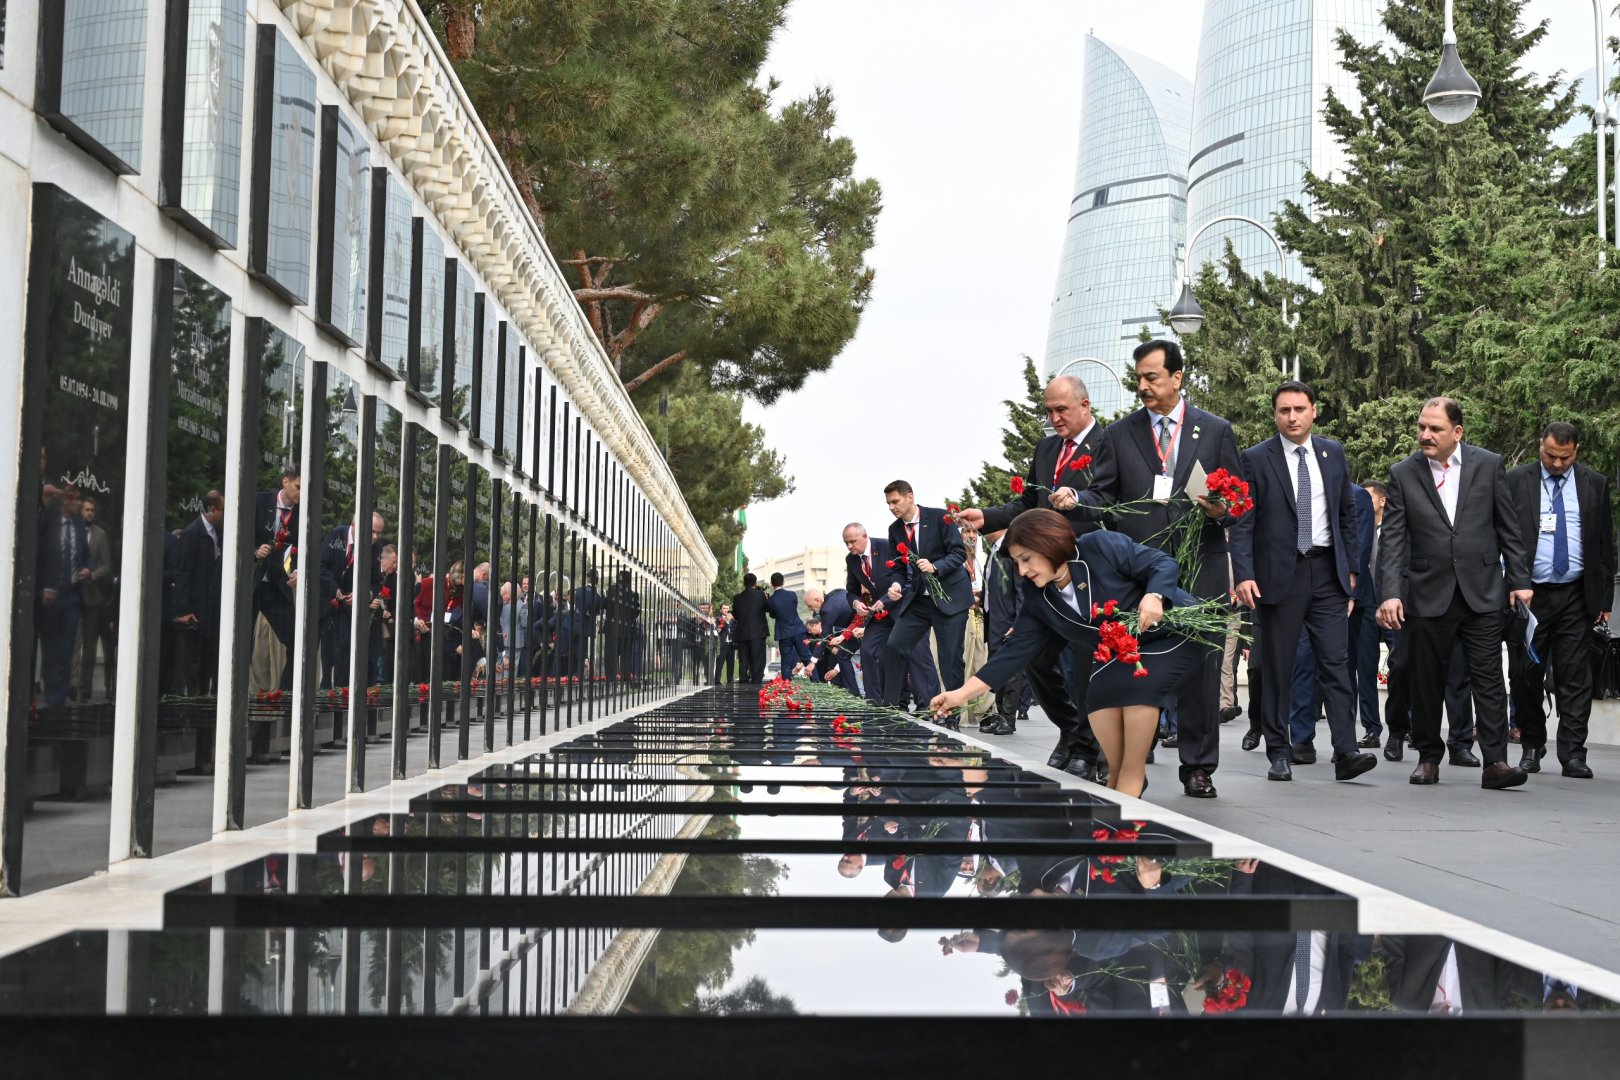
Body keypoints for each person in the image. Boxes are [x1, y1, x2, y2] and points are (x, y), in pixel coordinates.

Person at [930, 509, 1209, 799]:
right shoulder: (1038, 596)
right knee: (1097, 695)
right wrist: (961, 694)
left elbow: (1162, 563)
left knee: (1136, 688)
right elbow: (1014, 651)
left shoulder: (1099, 546)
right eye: (1016, 563)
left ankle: (1132, 779)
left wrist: (1155, 595)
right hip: (1124, 650)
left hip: (1175, 631)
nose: (1023, 570)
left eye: (1027, 558)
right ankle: (1117, 778)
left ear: (1049, 542)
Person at [1075, 339, 1243, 799]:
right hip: (1142, 572)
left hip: (1201, 565)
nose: (1143, 386)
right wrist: (1076, 500)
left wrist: (1219, 511)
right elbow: (1103, 497)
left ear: (1178, 377)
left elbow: (1237, 503)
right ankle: (1133, 760)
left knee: (1204, 669)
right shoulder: (1120, 433)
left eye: (1152, 377)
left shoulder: (1214, 430)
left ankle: (1198, 766)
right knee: (1135, 661)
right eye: (1139, 379)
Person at [1376, 397, 1531, 790]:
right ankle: (1428, 758)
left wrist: (1519, 579)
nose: (1425, 435)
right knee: (1427, 680)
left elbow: (1508, 528)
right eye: (1422, 427)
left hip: (1482, 591)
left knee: (1489, 680)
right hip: (1428, 593)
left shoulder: (1489, 464)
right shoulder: (1403, 473)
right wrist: (1390, 593)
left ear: (1457, 432)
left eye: (1435, 429)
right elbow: (1392, 539)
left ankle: (1495, 762)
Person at [1229, 380, 1377, 783]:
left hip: (1327, 574)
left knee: (1336, 662)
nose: (1292, 417)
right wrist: (1244, 574)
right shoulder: (1256, 458)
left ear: (1314, 410)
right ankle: (1279, 751)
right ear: (1275, 415)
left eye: (1299, 409)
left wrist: (1351, 571)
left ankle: (1346, 750)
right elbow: (1243, 522)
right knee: (1278, 667)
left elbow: (1346, 514)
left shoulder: (1333, 453)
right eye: (1284, 411)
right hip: (1279, 576)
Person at [960, 374, 1108, 777]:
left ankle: (1089, 747)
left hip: (1084, 571)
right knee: (1040, 660)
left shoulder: (1107, 444)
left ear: (1085, 405)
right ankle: (1069, 730)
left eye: (1061, 410)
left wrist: (1078, 500)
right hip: (1041, 574)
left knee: (1083, 664)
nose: (1054, 418)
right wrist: (987, 516)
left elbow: (1112, 500)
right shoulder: (1046, 449)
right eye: (1049, 411)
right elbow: (1029, 503)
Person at [1506, 421, 1614, 778]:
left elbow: (1603, 545)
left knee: (1575, 678)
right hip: (1529, 595)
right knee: (1525, 675)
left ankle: (1572, 754)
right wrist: (1511, 584)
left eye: (1564, 458)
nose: (1556, 464)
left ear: (1576, 452)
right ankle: (1532, 746)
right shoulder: (1516, 481)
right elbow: (1503, 538)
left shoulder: (1594, 484)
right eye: (1550, 455)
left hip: (1575, 595)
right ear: (1540, 446)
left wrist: (1604, 597)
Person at [877, 481, 973, 714]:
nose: (891, 507)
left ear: (910, 497)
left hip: (951, 598)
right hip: (919, 599)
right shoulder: (895, 530)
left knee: (950, 659)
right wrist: (896, 585)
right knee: (894, 646)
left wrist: (935, 566)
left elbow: (959, 553)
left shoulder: (940, 517)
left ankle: (951, 717)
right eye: (888, 503)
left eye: (895, 501)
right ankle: (890, 709)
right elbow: (897, 567)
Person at [841, 522, 940, 706]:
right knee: (868, 650)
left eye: (853, 541)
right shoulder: (851, 559)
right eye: (846, 542)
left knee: (918, 655)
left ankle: (931, 706)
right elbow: (851, 590)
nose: (849, 546)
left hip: (908, 609)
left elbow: (910, 578)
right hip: (882, 614)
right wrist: (856, 603)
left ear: (865, 536)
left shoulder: (888, 547)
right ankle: (875, 704)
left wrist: (887, 598)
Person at [250, 466, 301, 693]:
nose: (301, 493)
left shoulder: (303, 514)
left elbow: (304, 549)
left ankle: (285, 695)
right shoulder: (259, 502)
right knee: (242, 642)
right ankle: (239, 695)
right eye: (298, 487)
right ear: (285, 482)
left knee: (295, 640)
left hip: (278, 586)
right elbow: (237, 534)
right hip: (252, 583)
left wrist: (299, 570)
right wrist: (254, 551)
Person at [979, 525, 1033, 736]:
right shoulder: (993, 551)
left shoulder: (1011, 551)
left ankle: (1008, 718)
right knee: (997, 670)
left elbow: (1021, 590)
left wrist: (1018, 621)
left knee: (1011, 671)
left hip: (1008, 620)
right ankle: (1000, 714)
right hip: (994, 620)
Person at [170, 491, 225, 696]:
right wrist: (183, 610)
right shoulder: (192, 533)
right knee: (195, 663)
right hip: (196, 609)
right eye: (223, 510)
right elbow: (183, 573)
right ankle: (195, 709)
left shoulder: (217, 533)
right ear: (212, 510)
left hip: (211, 606)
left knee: (209, 660)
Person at [73, 495, 116, 702]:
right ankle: (72, 684)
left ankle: (84, 688)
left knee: (89, 646)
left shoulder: (101, 535)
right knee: (73, 642)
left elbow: (107, 565)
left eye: (92, 510)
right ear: (81, 511)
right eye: (86, 509)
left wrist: (93, 574)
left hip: (92, 595)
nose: (89, 513)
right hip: (73, 594)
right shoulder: (73, 531)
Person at [804, 587, 860, 694]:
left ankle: (854, 693)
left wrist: (812, 662)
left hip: (859, 627)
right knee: (840, 653)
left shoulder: (826, 610)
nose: (809, 609)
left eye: (809, 605)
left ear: (817, 600)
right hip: (854, 627)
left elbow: (825, 635)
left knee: (842, 655)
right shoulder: (836, 592)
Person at [765, 573, 811, 674]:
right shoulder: (792, 595)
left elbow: (772, 615)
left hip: (784, 633)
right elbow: (792, 609)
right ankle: (816, 682)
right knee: (807, 658)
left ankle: (786, 686)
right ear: (783, 582)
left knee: (785, 662)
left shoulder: (770, 601)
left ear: (772, 584)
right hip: (798, 630)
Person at [730, 574, 769, 683]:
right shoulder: (761, 595)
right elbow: (767, 608)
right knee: (758, 660)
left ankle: (743, 680)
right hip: (758, 633)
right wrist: (766, 597)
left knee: (743, 660)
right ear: (755, 583)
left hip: (742, 633)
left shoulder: (737, 598)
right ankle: (756, 682)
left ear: (744, 583)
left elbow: (736, 615)